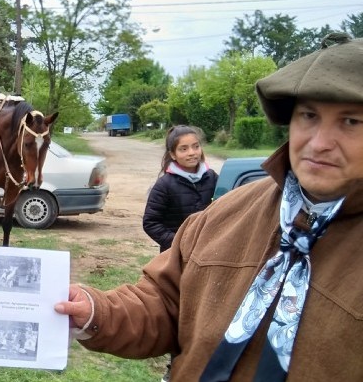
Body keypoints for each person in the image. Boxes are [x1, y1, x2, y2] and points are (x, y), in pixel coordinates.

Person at [55, 32, 363, 380]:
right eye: (308, 115)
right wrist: (96, 311)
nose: (319, 142)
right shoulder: (228, 213)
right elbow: (166, 302)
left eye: (350, 121)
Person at [143, 125, 219, 253]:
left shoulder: (212, 177)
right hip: (177, 257)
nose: (191, 153)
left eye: (196, 146)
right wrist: (179, 244)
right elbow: (150, 223)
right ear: (173, 154)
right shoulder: (164, 185)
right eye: (183, 149)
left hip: (208, 252)